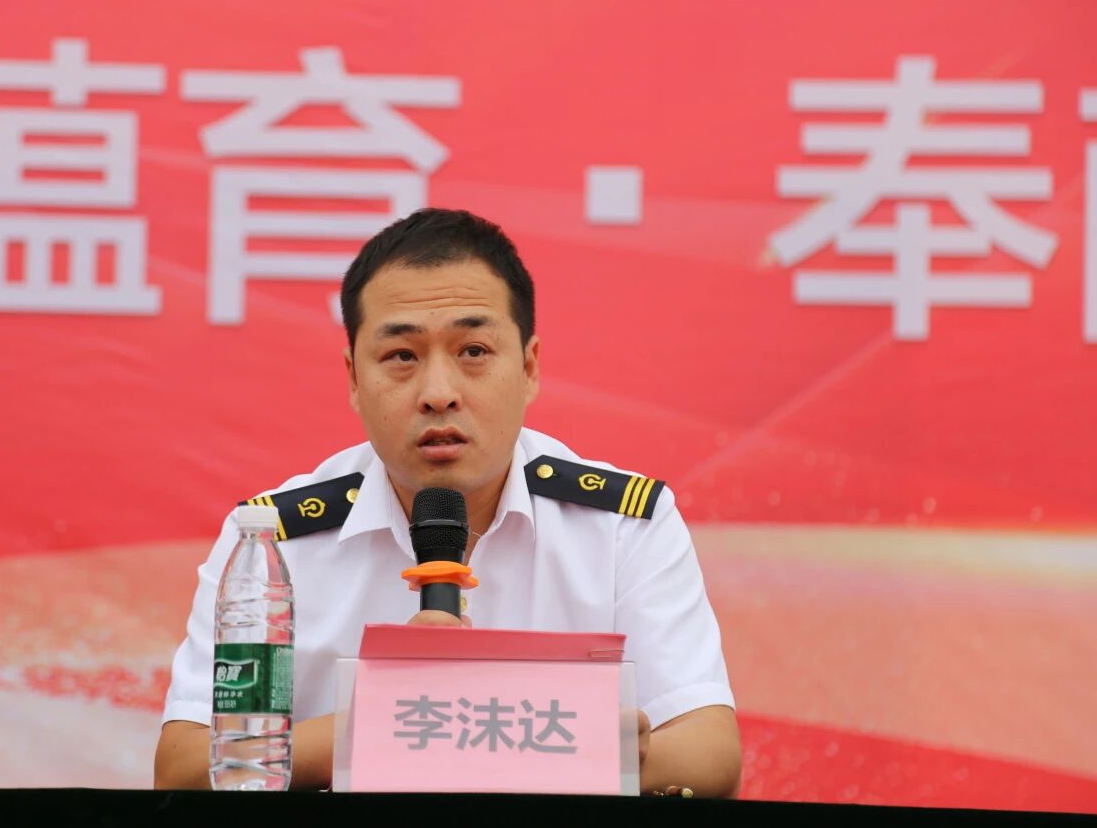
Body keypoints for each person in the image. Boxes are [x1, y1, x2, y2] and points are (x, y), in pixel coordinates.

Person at [154, 208, 741, 796]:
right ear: (354, 378)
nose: (438, 394)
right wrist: (386, 717)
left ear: (529, 368)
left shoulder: (620, 526)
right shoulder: (272, 543)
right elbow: (184, 770)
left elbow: (708, 756)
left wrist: (446, 728)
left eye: (474, 351)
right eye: (402, 356)